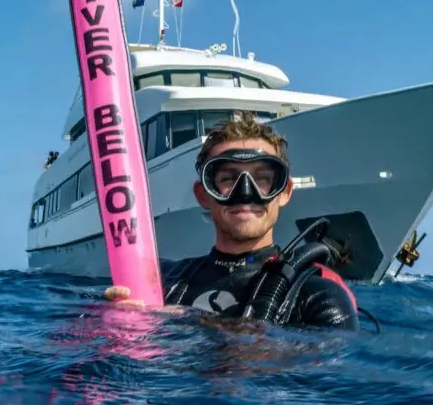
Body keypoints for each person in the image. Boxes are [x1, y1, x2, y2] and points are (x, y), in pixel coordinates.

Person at [105, 111, 359, 330]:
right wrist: (109, 322)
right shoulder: (160, 282)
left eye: (261, 179)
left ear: (284, 192)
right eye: (228, 179)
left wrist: (195, 323)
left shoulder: (319, 298)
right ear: (203, 194)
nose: (245, 193)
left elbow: (326, 381)